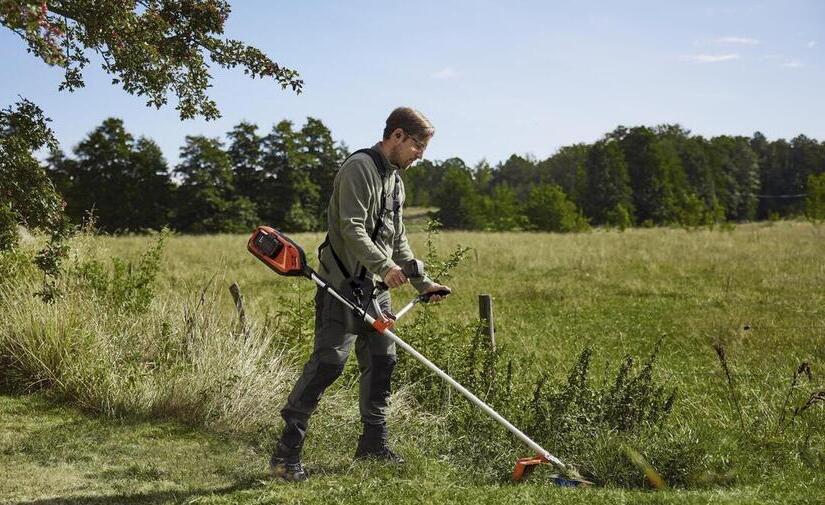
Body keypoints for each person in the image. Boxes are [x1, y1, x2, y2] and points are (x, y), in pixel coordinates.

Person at [270, 107, 451, 482]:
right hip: (341, 286)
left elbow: (396, 238)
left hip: (376, 291)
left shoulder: (395, 181)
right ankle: (286, 455)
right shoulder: (359, 168)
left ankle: (373, 445)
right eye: (417, 145)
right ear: (397, 136)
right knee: (329, 365)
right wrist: (385, 267)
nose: (420, 154)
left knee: (383, 361)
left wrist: (423, 282)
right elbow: (351, 228)